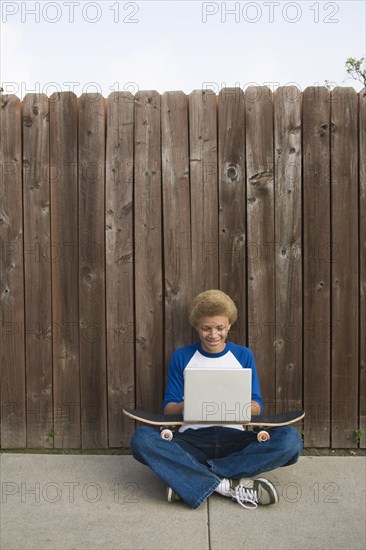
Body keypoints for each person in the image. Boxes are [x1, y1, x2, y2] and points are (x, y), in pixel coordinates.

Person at [130, 289, 303, 509]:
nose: (214, 334)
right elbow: (169, 409)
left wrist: (238, 404)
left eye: (220, 328)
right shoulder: (182, 357)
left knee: (290, 441)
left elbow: (257, 406)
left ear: (229, 325)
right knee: (142, 439)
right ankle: (227, 485)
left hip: (235, 440)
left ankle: (189, 479)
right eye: (206, 328)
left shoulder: (243, 355)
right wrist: (191, 403)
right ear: (196, 327)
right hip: (192, 440)